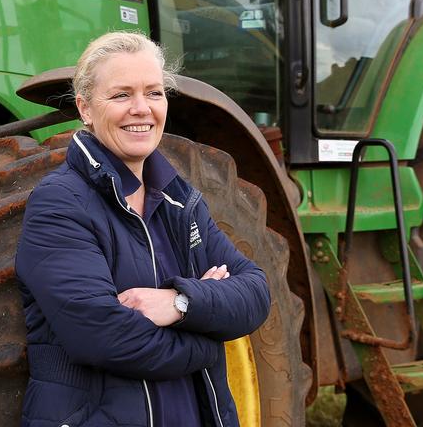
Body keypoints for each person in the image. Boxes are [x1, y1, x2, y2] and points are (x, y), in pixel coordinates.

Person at [15, 31, 270, 427]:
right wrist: (210, 335)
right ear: (85, 107)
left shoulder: (179, 201)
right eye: (121, 95)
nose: (142, 109)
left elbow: (255, 292)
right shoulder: (60, 203)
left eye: (154, 93)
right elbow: (104, 338)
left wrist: (179, 304)